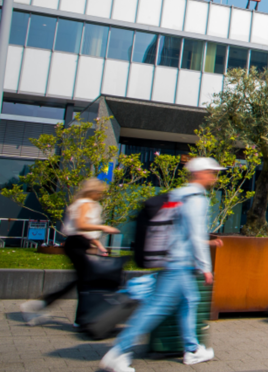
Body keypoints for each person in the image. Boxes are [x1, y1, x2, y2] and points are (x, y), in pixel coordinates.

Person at [100, 158, 225, 372]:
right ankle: (118, 351)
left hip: (174, 260)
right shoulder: (196, 198)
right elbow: (195, 235)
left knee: (190, 299)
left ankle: (192, 349)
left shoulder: (179, 194)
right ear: (198, 174)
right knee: (157, 307)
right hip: (179, 262)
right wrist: (206, 267)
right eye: (210, 172)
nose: (214, 176)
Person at [20, 178, 120, 326]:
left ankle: (47, 307)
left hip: (79, 243)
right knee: (84, 281)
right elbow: (81, 225)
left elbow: (84, 229)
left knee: (81, 281)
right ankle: (49, 308)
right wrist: (104, 228)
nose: (101, 195)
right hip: (77, 244)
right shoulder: (85, 204)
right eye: (99, 192)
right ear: (92, 192)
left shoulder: (85, 203)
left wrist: (98, 244)